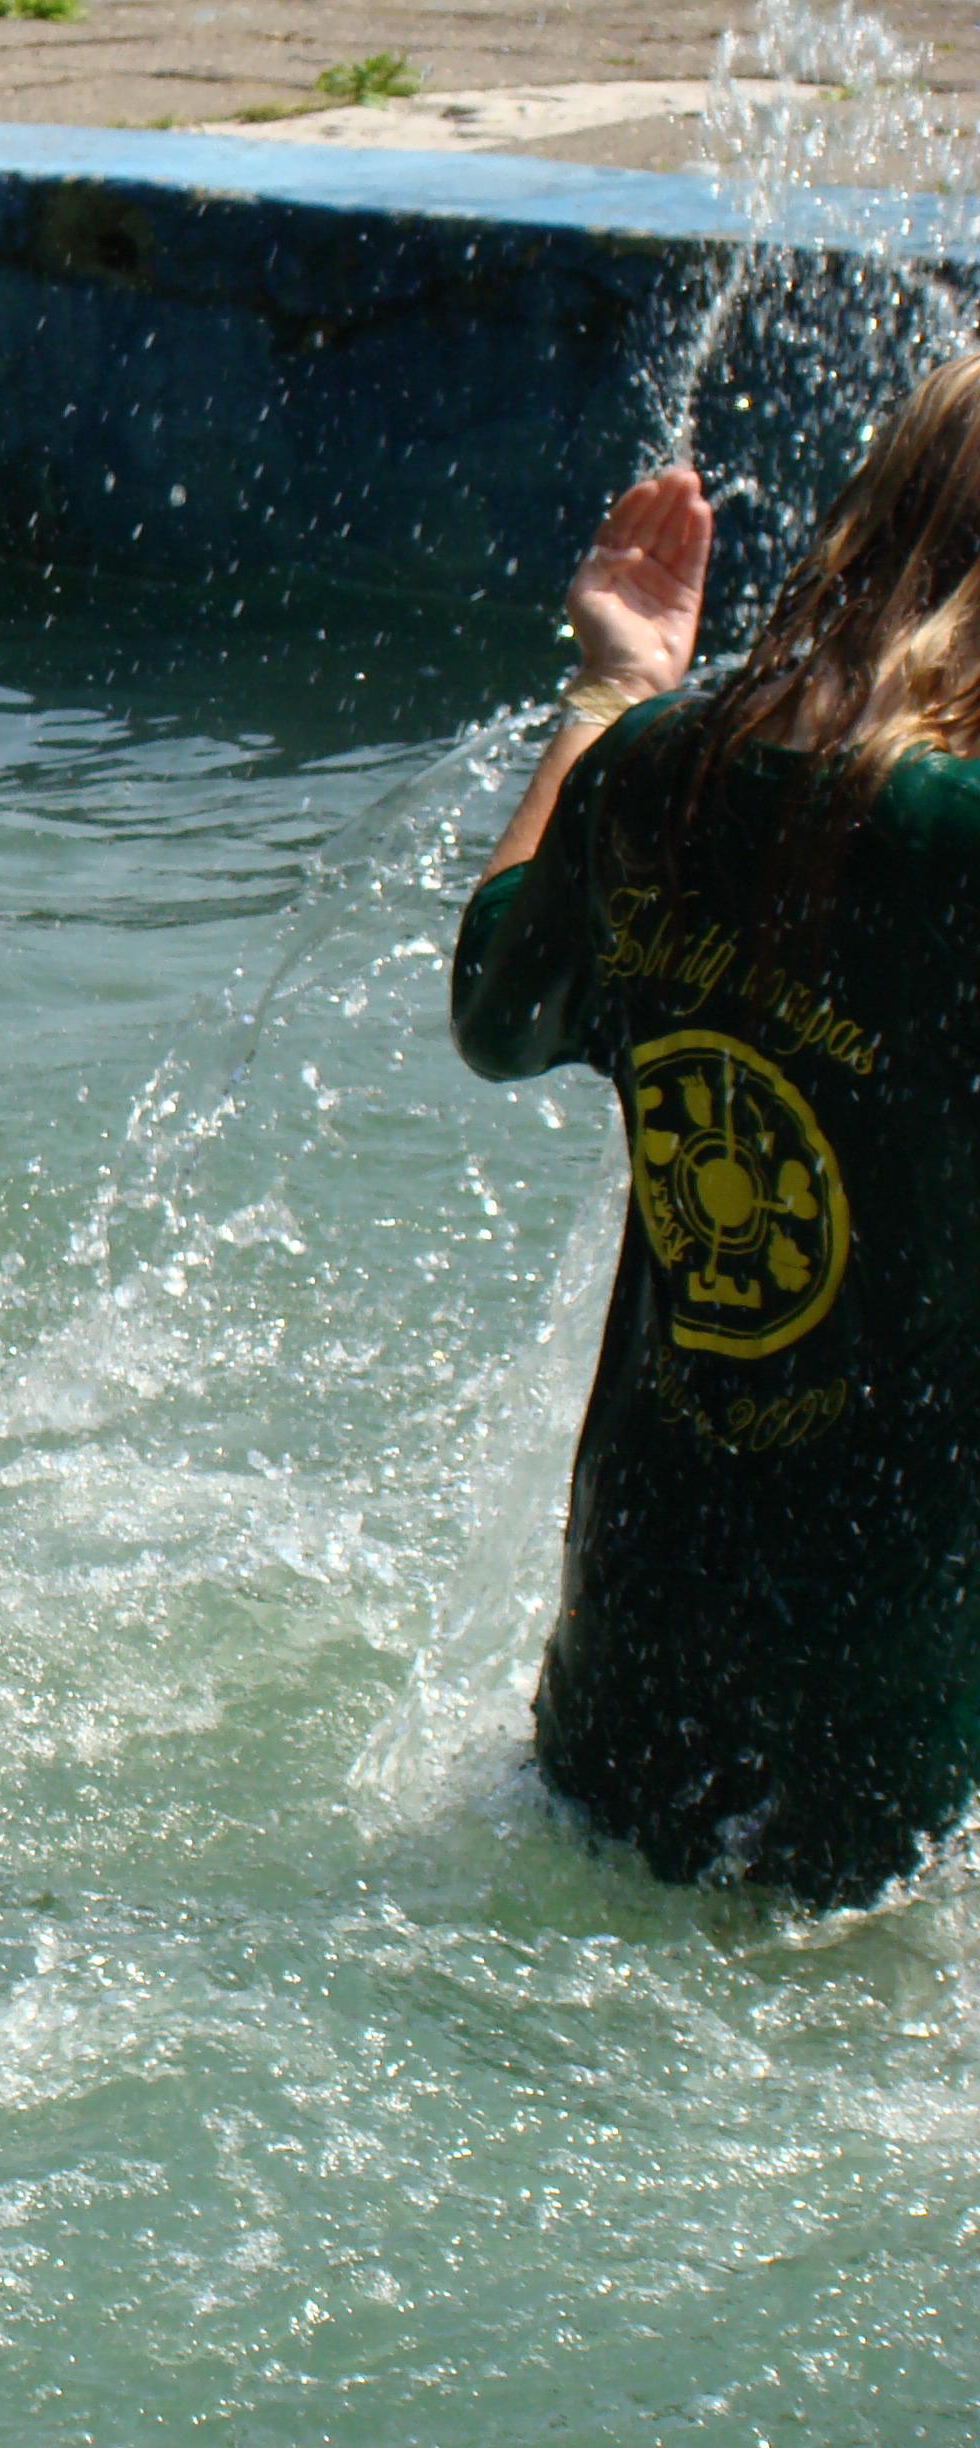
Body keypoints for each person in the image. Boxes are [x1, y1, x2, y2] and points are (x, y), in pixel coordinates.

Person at [452, 352, 980, 1907]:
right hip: (904, 1715)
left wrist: (612, 695)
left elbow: (497, 1009)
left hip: (633, 1643)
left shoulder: (668, 768)